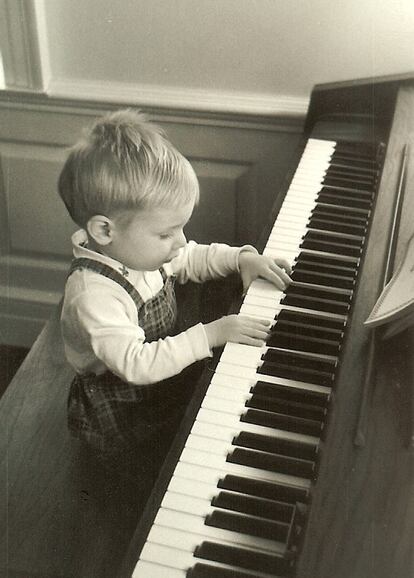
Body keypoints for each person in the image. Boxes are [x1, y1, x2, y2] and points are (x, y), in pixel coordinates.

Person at [58, 108, 291, 487]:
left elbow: (192, 257)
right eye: (167, 233)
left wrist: (241, 258)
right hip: (122, 402)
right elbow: (136, 364)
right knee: (147, 481)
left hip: (157, 381)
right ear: (104, 230)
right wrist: (211, 334)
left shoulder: (136, 250)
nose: (180, 241)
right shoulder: (95, 295)